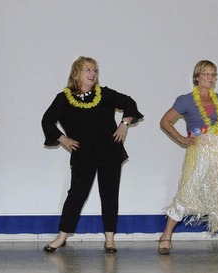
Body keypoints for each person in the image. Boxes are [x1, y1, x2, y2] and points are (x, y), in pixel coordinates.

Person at [41, 56, 143, 253]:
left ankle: (110, 239)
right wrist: (63, 139)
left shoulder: (104, 94)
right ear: (76, 73)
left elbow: (129, 103)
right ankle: (61, 237)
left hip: (109, 151)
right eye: (88, 69)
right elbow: (47, 120)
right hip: (83, 153)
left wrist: (124, 124)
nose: (92, 73)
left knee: (110, 194)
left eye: (95, 69)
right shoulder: (64, 98)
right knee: (77, 194)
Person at [157, 60, 218, 255]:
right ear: (197, 77)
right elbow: (165, 121)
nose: (210, 79)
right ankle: (166, 236)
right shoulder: (186, 100)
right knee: (188, 190)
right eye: (206, 75)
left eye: (213, 75)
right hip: (200, 151)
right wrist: (180, 138)